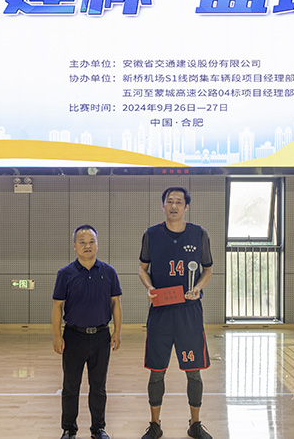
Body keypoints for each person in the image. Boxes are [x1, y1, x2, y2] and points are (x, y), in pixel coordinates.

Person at [138, 187, 214, 439]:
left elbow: (207, 270)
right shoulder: (151, 234)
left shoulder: (199, 234)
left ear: (186, 207)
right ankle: (155, 424)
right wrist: (149, 287)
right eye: (169, 201)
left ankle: (195, 424)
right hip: (160, 312)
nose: (173, 206)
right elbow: (142, 268)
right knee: (156, 370)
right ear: (163, 205)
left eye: (178, 202)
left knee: (194, 371)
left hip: (189, 313)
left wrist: (198, 287)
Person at [52, 225, 122, 439]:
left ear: (97, 244)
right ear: (74, 246)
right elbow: (57, 306)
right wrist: (57, 336)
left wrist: (117, 332)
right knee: (70, 387)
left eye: (91, 241)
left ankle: (98, 429)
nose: (87, 246)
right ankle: (69, 429)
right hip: (73, 337)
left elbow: (116, 303)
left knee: (98, 387)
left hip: (101, 337)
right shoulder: (65, 274)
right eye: (82, 242)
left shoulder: (109, 272)